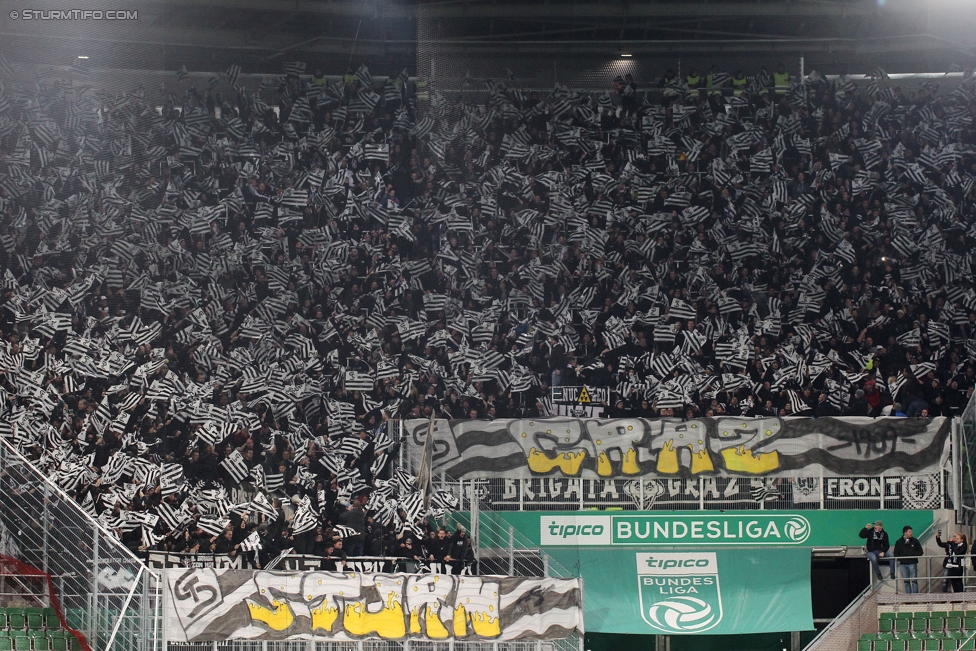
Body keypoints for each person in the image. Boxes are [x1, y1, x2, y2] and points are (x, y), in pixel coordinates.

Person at [894, 526, 923, 594]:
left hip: (912, 563)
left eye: (911, 532)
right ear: (905, 532)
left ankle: (915, 597)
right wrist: (901, 558)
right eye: (909, 532)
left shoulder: (915, 541)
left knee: (914, 581)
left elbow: (920, 552)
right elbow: (896, 553)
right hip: (903, 565)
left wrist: (913, 555)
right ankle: (908, 597)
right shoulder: (899, 542)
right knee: (906, 581)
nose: (911, 533)